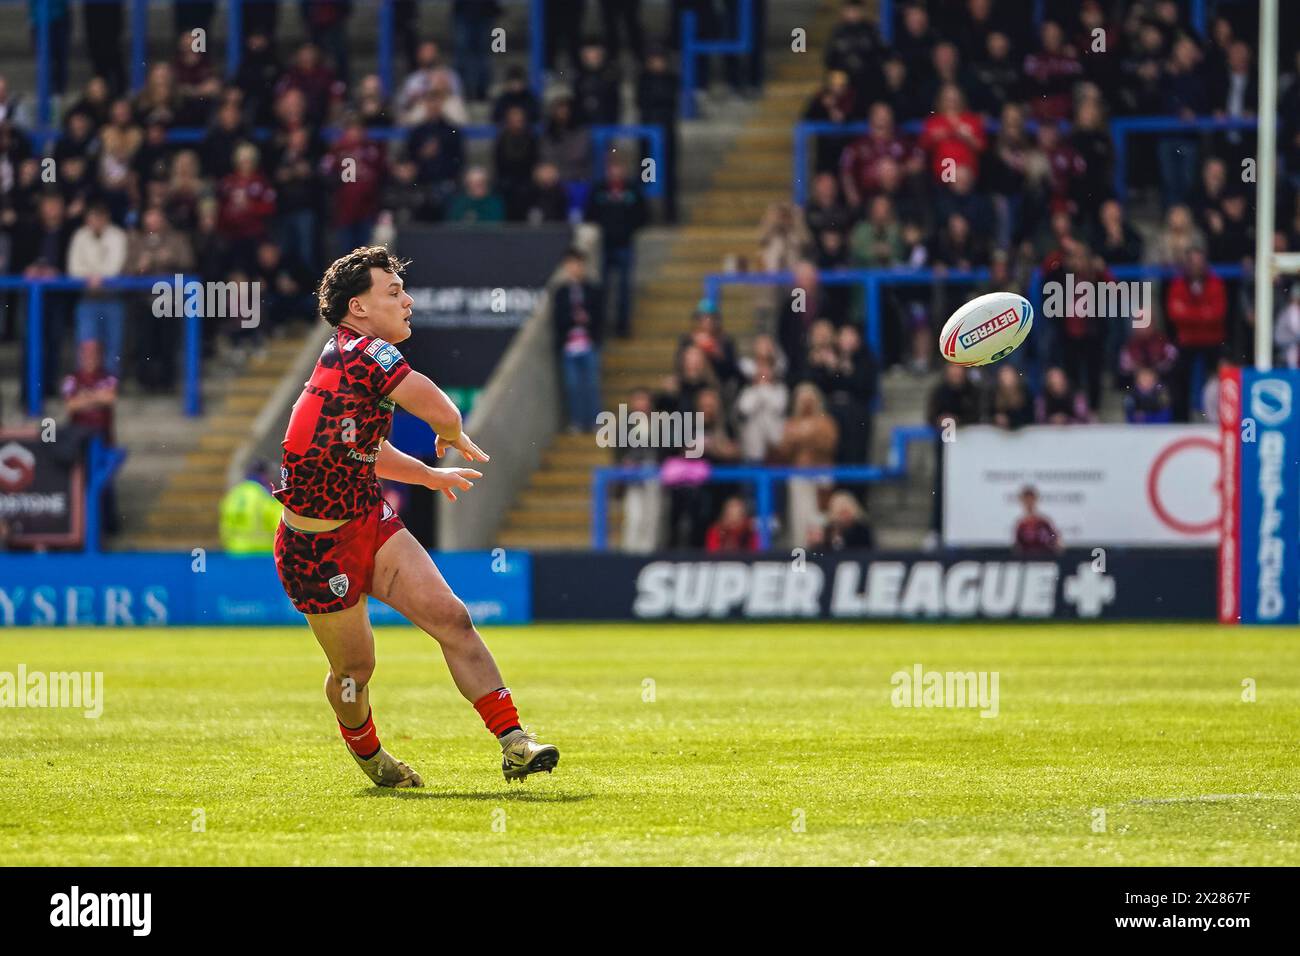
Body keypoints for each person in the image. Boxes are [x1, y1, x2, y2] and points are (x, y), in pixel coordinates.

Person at [271, 246, 558, 787]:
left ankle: (515, 742)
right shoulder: (364, 352)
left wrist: (426, 475)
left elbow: (361, 448)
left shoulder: (348, 360)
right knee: (354, 674)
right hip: (314, 549)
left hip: (367, 521)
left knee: (452, 619)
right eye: (394, 292)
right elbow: (441, 409)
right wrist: (449, 433)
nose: (408, 301)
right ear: (357, 308)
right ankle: (372, 756)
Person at [584, 156, 648, 338]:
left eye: (619, 168)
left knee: (624, 288)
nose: (616, 172)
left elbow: (643, 214)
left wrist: (628, 229)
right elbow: (590, 214)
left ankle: (623, 325)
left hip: (625, 245)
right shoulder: (599, 190)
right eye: (612, 168)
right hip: (604, 246)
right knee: (601, 288)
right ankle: (600, 325)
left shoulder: (633, 190)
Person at [67, 202, 129, 378]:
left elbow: (116, 267)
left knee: (113, 345)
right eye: (92, 217)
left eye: (100, 217)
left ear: (107, 218)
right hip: (87, 299)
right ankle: (85, 385)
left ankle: (110, 387)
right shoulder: (79, 235)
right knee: (86, 343)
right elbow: (74, 268)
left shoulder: (117, 236)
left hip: (112, 298)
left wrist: (98, 277)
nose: (96, 221)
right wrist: (91, 278)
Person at [551, 248, 605, 432]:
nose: (575, 268)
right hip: (569, 345)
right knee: (573, 385)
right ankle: (577, 421)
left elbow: (599, 316)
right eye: (571, 264)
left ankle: (594, 421)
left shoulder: (592, 289)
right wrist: (573, 319)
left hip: (588, 343)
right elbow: (558, 319)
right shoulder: (561, 292)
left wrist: (588, 324)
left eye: (578, 264)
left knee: (590, 383)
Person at [220, 461, 284, 554]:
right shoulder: (265, 494)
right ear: (263, 475)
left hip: (235, 551)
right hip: (262, 552)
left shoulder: (235, 493)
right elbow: (278, 522)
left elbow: (225, 523)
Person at [1012, 486, 1061, 555]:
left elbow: (1053, 537)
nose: (1029, 503)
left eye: (1031, 500)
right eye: (1026, 500)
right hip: (1027, 560)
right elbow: (1018, 546)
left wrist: (1055, 541)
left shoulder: (1043, 521)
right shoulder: (1021, 524)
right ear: (1022, 502)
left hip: (1043, 559)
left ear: (1035, 500)